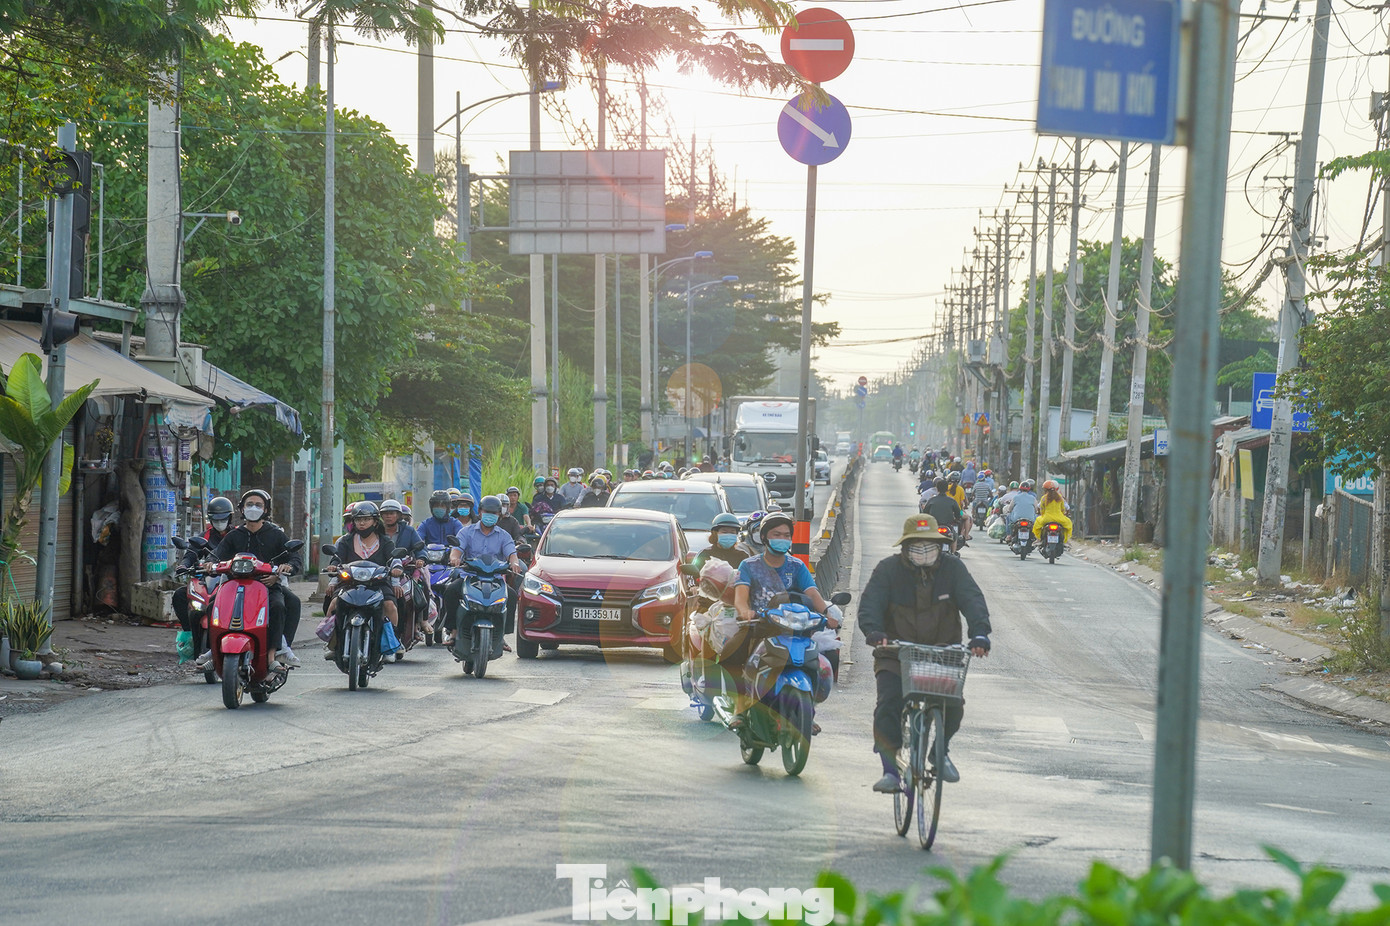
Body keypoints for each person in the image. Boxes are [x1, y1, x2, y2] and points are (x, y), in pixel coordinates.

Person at [860, 514, 991, 791]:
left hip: (941, 655)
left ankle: (938, 753)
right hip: (895, 653)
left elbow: (972, 599)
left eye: (930, 546)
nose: (924, 553)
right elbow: (870, 603)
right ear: (905, 548)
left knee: (953, 707)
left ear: (940, 546)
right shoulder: (887, 570)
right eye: (916, 547)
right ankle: (890, 771)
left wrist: (980, 634)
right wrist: (874, 631)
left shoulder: (953, 570)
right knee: (888, 704)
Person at [208, 489, 303, 667]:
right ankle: (212, 651)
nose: (253, 508)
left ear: (266, 510)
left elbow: (294, 557)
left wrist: (285, 569)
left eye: (258, 505)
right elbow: (216, 555)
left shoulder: (276, 534)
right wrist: (209, 563)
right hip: (234, 585)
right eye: (249, 504)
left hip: (267, 586)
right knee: (213, 604)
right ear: (241, 509)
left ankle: (276, 654)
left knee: (281, 605)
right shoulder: (234, 535)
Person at [442, 495, 522, 653]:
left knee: (512, 595)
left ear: (499, 515)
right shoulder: (467, 532)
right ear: (479, 512)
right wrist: (455, 559)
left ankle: (502, 636)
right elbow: (456, 551)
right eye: (487, 512)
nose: (490, 515)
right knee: (450, 590)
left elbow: (511, 553)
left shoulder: (504, 535)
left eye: (494, 513)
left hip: (495, 579)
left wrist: (515, 563)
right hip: (469, 577)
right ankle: (453, 630)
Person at [323, 501, 402, 639]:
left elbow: (394, 558)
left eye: (366, 519)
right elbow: (337, 559)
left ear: (375, 522)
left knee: (390, 605)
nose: (362, 523)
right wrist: (333, 567)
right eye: (358, 520)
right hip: (349, 583)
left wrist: (396, 568)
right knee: (334, 603)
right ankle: (333, 639)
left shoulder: (385, 541)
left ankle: (392, 641)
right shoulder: (345, 541)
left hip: (378, 583)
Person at [173, 495, 235, 646]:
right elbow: (191, 554)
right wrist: (184, 565)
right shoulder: (204, 537)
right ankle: (190, 634)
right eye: (216, 519)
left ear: (230, 518)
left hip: (233, 581)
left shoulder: (237, 535)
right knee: (180, 595)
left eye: (223, 519)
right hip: (209, 581)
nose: (220, 523)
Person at [923, 478, 964, 550]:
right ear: (946, 489)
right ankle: (954, 552)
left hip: (934, 525)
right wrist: (958, 519)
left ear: (937, 489)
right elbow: (958, 512)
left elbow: (925, 513)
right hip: (948, 524)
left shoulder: (931, 500)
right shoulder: (952, 500)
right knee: (954, 537)